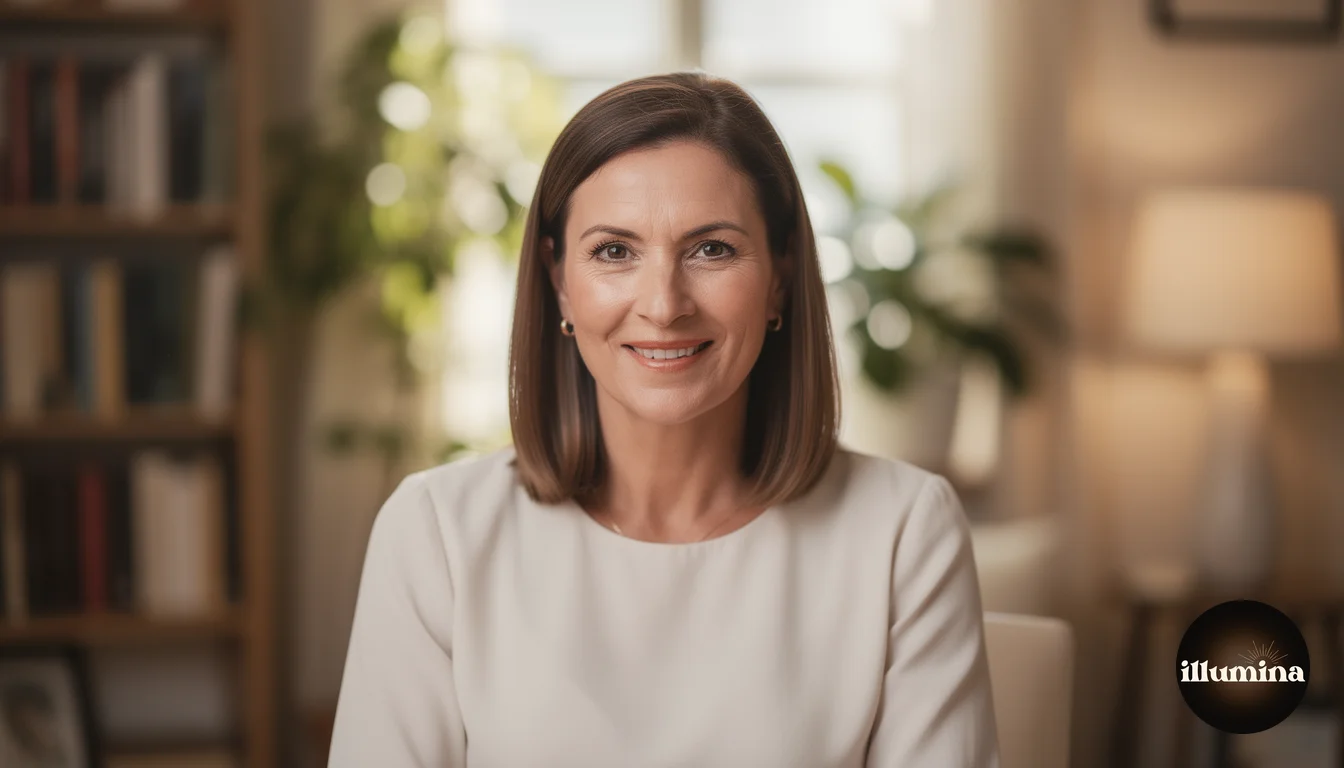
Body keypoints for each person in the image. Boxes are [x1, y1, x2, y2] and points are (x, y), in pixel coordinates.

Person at [328, 72, 999, 767]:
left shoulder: (903, 531)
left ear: (780, 276)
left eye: (712, 249)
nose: (663, 303)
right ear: (559, 278)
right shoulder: (438, 533)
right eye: (614, 252)